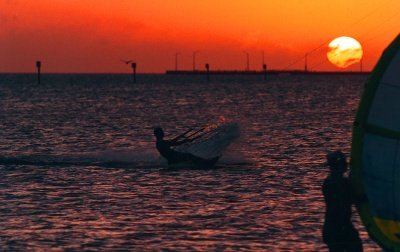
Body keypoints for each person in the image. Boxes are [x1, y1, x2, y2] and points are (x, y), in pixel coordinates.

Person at [322, 150, 363, 252]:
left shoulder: (328, 182)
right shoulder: (340, 183)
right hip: (340, 228)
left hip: (332, 228)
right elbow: (352, 198)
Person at [153, 127, 219, 165]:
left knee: (188, 155)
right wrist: (186, 140)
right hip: (174, 158)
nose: (163, 133)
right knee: (189, 155)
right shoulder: (161, 142)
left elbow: (171, 142)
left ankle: (202, 162)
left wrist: (180, 137)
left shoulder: (160, 142)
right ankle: (205, 162)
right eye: (161, 132)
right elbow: (175, 143)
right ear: (158, 134)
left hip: (173, 157)